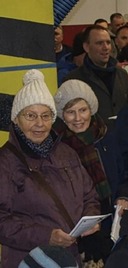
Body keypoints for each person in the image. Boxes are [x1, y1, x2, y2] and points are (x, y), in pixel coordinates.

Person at [0, 70, 100, 267]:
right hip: (26, 260)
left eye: (46, 116)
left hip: (68, 257)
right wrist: (46, 236)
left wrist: (90, 216)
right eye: (31, 115)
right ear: (16, 119)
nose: (39, 123)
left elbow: (89, 195)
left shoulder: (67, 153)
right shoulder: (5, 162)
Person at [53, 79, 128, 263]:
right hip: (80, 232)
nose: (78, 118)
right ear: (62, 115)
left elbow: (124, 173)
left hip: (114, 223)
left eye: (83, 110)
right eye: (70, 112)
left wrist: (125, 196)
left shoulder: (106, 137)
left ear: (91, 109)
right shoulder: (56, 148)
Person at [63, 25, 128, 127]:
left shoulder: (121, 74)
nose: (105, 47)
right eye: (99, 43)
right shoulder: (73, 80)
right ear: (86, 47)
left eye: (108, 42)